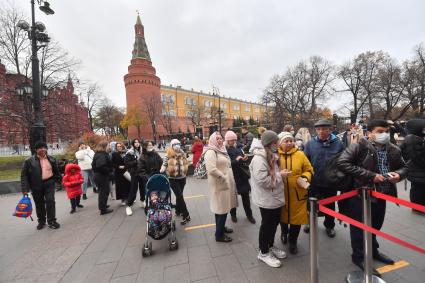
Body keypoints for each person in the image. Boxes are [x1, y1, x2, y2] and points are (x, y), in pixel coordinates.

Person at [337, 119, 407, 273]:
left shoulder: (394, 149)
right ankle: (359, 256)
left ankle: (373, 251)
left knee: (375, 225)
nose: (385, 134)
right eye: (380, 131)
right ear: (370, 133)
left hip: (382, 193)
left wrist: (399, 175)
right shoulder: (359, 146)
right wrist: (370, 176)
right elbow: (342, 163)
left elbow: (403, 167)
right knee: (359, 227)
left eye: (387, 131)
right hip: (360, 193)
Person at [250, 130, 287, 268]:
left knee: (274, 223)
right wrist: (280, 175)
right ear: (270, 143)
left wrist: (278, 174)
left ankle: (270, 246)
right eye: (276, 142)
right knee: (267, 225)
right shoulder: (259, 159)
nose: (278, 144)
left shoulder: (269, 154)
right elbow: (263, 181)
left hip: (274, 197)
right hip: (267, 199)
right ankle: (263, 252)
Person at [304, 119, 344, 238]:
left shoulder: (338, 143)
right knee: (310, 204)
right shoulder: (310, 143)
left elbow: (343, 161)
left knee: (330, 205)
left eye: (324, 129)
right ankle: (309, 223)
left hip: (330, 181)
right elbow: (305, 160)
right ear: (316, 130)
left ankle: (329, 226)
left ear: (329, 130)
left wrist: (338, 175)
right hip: (314, 181)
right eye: (319, 129)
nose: (321, 131)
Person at [277, 132, 313, 254]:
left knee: (296, 219)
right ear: (280, 143)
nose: (289, 143)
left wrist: (305, 177)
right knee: (283, 216)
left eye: (291, 140)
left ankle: (293, 242)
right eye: (286, 141)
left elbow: (309, 169)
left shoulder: (300, 154)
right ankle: (283, 233)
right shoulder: (275, 156)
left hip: (298, 193)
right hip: (281, 193)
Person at [204, 132, 238, 242]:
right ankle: (219, 235)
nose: (219, 140)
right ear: (212, 140)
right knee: (221, 209)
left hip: (224, 184)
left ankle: (221, 228)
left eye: (220, 138)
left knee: (221, 208)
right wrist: (223, 177)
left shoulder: (220, 149)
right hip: (220, 184)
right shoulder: (211, 151)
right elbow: (211, 169)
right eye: (217, 138)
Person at [21, 141, 61, 230]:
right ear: (36, 150)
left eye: (44, 147)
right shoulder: (29, 161)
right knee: (39, 204)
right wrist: (25, 189)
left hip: (49, 183)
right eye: (40, 148)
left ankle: (52, 221)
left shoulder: (51, 159)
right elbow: (24, 176)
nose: (42, 149)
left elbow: (56, 172)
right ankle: (41, 221)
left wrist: (59, 182)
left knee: (50, 201)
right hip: (36, 185)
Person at [225, 130, 256, 224]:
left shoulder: (239, 147)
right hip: (233, 176)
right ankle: (233, 214)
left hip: (242, 175)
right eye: (231, 140)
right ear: (227, 141)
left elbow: (242, 160)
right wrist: (237, 160)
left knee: (245, 196)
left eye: (234, 140)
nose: (233, 142)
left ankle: (249, 215)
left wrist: (244, 158)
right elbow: (228, 164)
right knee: (233, 196)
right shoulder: (225, 150)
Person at [161, 139, 191, 225]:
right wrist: (163, 168)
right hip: (173, 179)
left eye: (178, 144)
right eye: (175, 144)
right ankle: (186, 214)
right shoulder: (168, 154)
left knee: (179, 195)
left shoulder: (182, 153)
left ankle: (178, 210)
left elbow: (186, 162)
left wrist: (186, 168)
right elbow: (165, 162)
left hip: (182, 178)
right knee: (180, 196)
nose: (177, 145)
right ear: (171, 146)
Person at [400, 119, 425, 214]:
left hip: (418, 170)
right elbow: (417, 157)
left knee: (420, 189)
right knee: (418, 190)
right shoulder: (412, 139)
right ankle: (417, 208)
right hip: (418, 170)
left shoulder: (417, 137)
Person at [92, 140, 113, 215]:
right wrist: (109, 171)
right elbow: (100, 166)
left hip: (100, 175)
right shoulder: (101, 155)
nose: (109, 147)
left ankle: (103, 205)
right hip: (101, 176)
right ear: (104, 146)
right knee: (103, 192)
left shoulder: (100, 154)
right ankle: (103, 209)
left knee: (104, 191)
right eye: (108, 145)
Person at [124, 139, 144, 216]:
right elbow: (127, 164)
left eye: (138, 142)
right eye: (135, 142)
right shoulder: (129, 153)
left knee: (143, 188)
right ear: (132, 144)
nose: (137, 143)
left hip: (142, 173)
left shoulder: (142, 151)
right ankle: (129, 205)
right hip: (134, 173)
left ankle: (143, 201)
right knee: (133, 189)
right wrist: (136, 161)